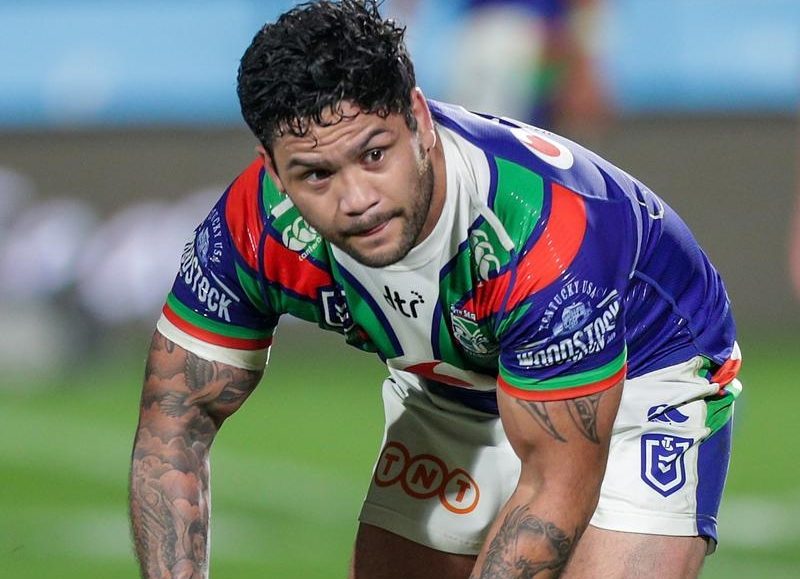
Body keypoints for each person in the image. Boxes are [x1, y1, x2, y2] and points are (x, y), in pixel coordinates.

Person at [129, 1, 742, 577]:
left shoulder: (541, 235)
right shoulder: (252, 227)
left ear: (419, 119)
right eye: (315, 174)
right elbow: (174, 424)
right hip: (454, 384)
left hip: (643, 372)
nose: (357, 200)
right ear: (272, 170)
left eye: (375, 155)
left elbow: (555, 485)